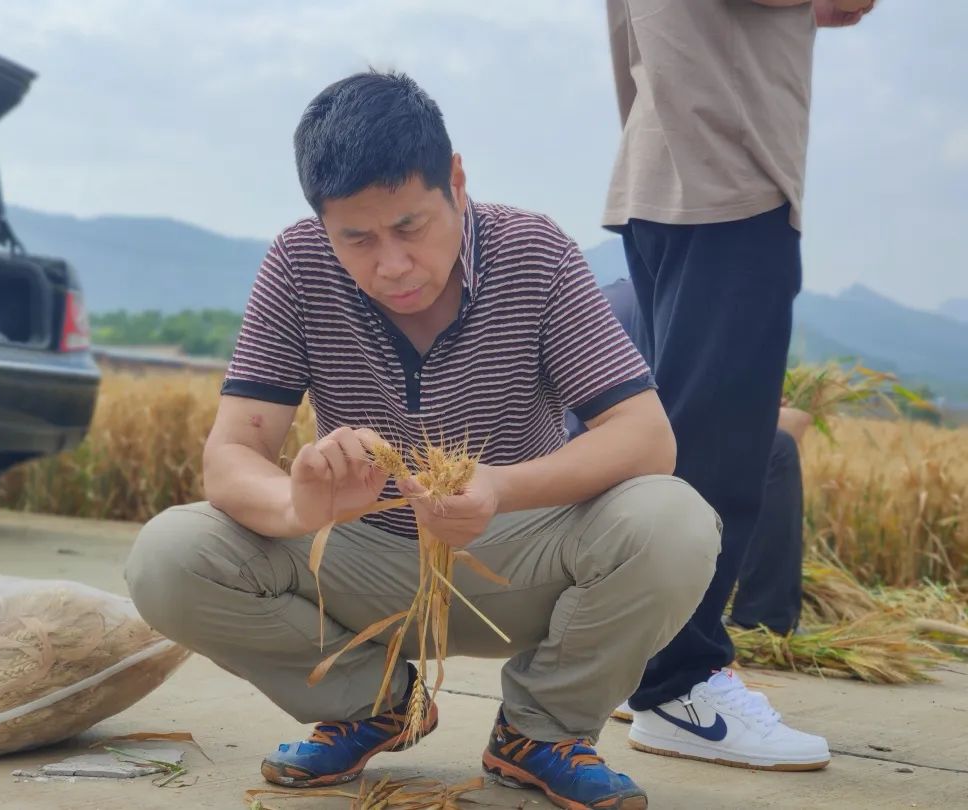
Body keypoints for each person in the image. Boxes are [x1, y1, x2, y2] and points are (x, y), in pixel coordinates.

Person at [125, 71, 722, 810]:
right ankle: (375, 704)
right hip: (359, 553)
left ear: (457, 182)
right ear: (322, 223)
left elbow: (644, 437)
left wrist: (502, 487)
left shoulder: (534, 252)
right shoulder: (297, 264)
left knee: (675, 519)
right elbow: (230, 456)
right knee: (169, 555)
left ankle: (539, 731)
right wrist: (297, 505)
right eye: (358, 239)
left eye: (411, 227)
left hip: (513, 549)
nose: (393, 265)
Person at [602, 0, 873, 771]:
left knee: (674, 443)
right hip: (728, 169)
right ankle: (680, 684)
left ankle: (645, 660)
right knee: (719, 455)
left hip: (667, 164)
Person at [567, 278, 812, 639]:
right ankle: (765, 619)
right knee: (777, 449)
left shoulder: (620, 294)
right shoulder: (701, 309)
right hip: (610, 459)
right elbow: (701, 407)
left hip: (572, 450)